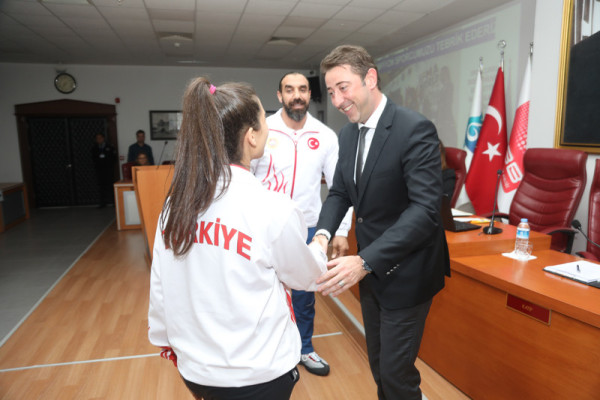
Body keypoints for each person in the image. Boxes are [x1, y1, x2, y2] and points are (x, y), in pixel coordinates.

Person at [148, 78, 327, 400]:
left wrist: (164, 339)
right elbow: (307, 278)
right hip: (259, 374)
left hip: (196, 371)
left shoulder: (176, 204)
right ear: (251, 136)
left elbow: (160, 283)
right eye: (263, 119)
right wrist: (320, 245)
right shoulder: (273, 208)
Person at [312, 45, 450, 400]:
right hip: (371, 273)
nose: (337, 100)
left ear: (370, 78)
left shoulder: (414, 128)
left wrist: (364, 260)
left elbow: (425, 211)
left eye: (343, 88)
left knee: (396, 374)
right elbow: (340, 192)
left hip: (408, 272)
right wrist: (322, 235)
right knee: (379, 367)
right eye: (331, 92)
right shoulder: (347, 135)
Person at [251, 72, 351, 377]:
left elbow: (340, 187)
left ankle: (304, 348)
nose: (297, 95)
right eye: (290, 89)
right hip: (264, 226)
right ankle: (267, 352)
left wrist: (341, 230)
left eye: (303, 89)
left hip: (307, 228)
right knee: (261, 291)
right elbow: (244, 176)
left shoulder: (326, 136)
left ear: (309, 95)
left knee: (305, 295)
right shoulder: (261, 130)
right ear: (279, 95)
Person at [91, 132, 116, 208]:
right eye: (97, 138)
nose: (99, 139)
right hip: (99, 171)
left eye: (100, 138)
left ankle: (114, 202)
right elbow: (93, 159)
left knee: (111, 186)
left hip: (108, 170)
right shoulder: (94, 148)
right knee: (101, 187)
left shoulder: (110, 147)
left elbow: (114, 158)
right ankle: (102, 203)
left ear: (103, 138)